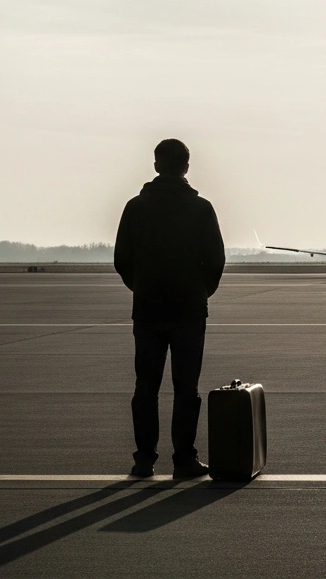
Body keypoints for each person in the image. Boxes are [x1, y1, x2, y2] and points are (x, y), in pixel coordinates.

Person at [114, 138, 225, 478]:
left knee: (145, 386)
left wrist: (144, 287)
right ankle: (184, 459)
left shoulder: (135, 207)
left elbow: (122, 260)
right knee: (186, 388)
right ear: (186, 167)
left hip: (148, 308)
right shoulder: (201, 208)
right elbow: (216, 261)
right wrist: (198, 292)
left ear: (156, 165)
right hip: (189, 309)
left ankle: (144, 459)